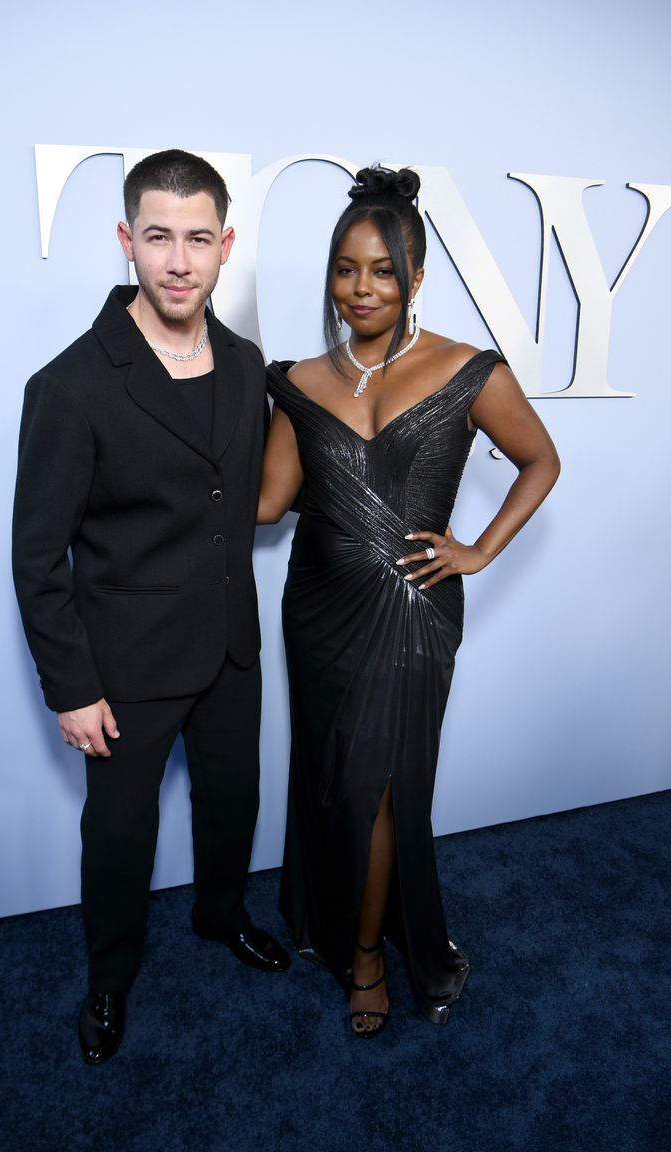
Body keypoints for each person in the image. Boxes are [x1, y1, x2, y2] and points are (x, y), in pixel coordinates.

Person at [258, 166, 560, 1038]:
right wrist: (164, 465)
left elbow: (542, 461)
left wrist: (477, 551)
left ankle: (365, 957)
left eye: (382, 270)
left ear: (416, 278)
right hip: (318, 607)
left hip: (414, 611)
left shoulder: (469, 370)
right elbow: (270, 502)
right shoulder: (300, 379)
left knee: (385, 789)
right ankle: (339, 918)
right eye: (346, 269)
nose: (361, 287)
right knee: (332, 780)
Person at [12, 149, 289, 1066]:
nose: (179, 260)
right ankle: (109, 978)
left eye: (198, 239)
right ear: (127, 241)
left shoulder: (247, 364)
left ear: (225, 247)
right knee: (121, 834)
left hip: (230, 648)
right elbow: (35, 555)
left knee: (232, 802)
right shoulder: (71, 384)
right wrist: (71, 686)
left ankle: (220, 915)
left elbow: (244, 490)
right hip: (124, 667)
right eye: (159, 237)